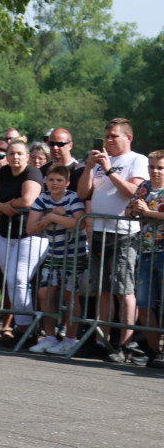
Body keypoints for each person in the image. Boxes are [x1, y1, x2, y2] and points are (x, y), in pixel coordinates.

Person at [76, 118, 149, 363]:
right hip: (99, 232)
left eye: (113, 136)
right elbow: (83, 193)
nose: (108, 140)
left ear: (128, 138)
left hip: (123, 233)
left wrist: (108, 169)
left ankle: (127, 344)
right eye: (106, 136)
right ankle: (102, 341)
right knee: (102, 291)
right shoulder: (99, 161)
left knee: (124, 291)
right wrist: (89, 167)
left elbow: (134, 193)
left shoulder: (137, 160)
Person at [0, 139, 48, 343]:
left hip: (31, 234)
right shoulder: (2, 173)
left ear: (27, 157)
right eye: (11, 154)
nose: (15, 157)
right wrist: (4, 207)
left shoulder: (32, 173)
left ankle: (27, 330)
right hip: (5, 234)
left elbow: (28, 200)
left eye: (19, 154)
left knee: (18, 281)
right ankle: (22, 328)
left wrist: (2, 204)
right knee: (10, 284)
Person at [26, 164, 87, 355]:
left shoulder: (72, 198)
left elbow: (79, 222)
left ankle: (70, 338)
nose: (54, 183)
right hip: (54, 254)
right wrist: (52, 216)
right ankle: (51, 337)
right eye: (51, 180)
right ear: (45, 181)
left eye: (59, 180)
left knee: (70, 296)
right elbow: (30, 228)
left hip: (74, 254)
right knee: (44, 293)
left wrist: (51, 217)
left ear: (67, 183)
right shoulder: (42, 198)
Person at [124, 150, 164, 368]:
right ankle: (154, 351)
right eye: (152, 167)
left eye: (160, 167)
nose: (155, 171)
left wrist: (147, 212)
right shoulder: (144, 187)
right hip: (146, 251)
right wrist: (135, 211)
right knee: (145, 304)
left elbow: (148, 212)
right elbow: (128, 210)